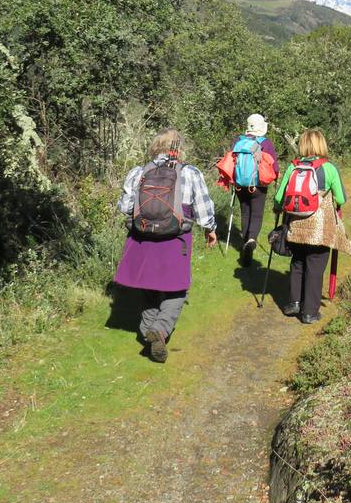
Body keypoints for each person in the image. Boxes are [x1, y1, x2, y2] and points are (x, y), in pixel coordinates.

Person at [115, 129, 217, 362]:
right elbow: (202, 209)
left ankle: (147, 329)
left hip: (143, 237)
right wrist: (210, 229)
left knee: (149, 284)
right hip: (175, 238)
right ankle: (159, 330)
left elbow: (124, 207)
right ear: (179, 149)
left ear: (155, 147)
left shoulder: (139, 172)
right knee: (176, 288)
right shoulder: (189, 173)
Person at [273, 128, 351, 324]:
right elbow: (341, 198)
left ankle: (294, 303)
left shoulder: (293, 167)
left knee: (298, 262)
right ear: (321, 145)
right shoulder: (329, 168)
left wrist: (277, 210)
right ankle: (309, 312)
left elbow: (278, 198)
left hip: (295, 226)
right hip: (319, 229)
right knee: (315, 267)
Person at [230, 113, 279, 266]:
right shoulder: (266, 143)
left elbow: (231, 162)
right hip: (258, 185)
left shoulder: (238, 141)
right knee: (256, 215)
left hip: (240, 184)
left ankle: (246, 243)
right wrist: (275, 178)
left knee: (245, 211)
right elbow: (274, 167)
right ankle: (251, 240)